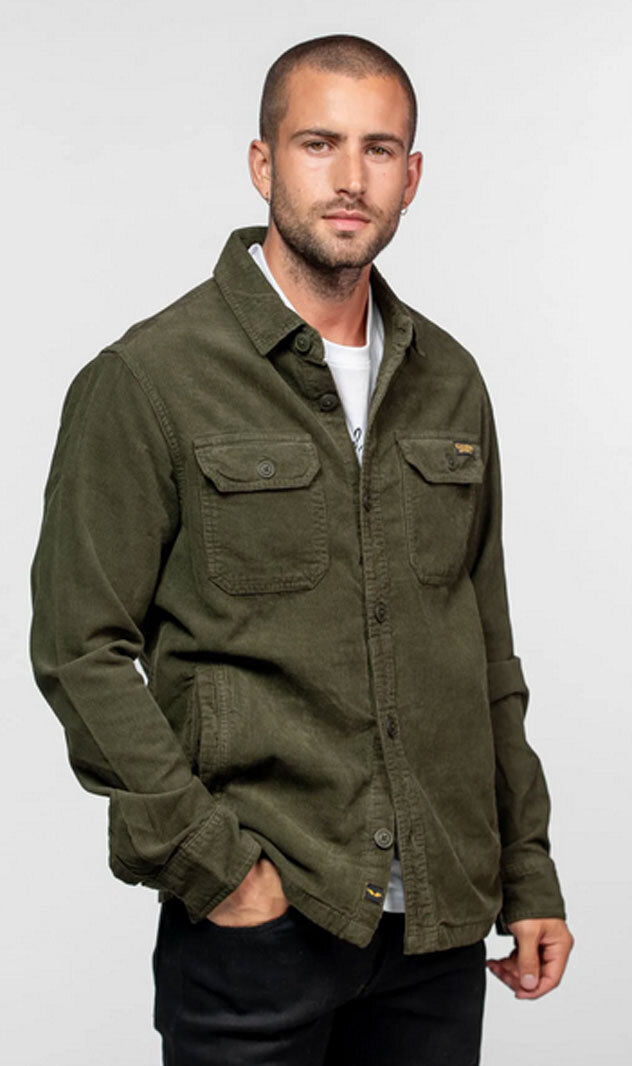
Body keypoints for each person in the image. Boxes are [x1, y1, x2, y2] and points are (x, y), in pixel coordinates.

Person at [29, 32, 574, 1066]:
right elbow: (78, 646)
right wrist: (218, 869)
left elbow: (484, 648)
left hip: (440, 928)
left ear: (412, 175)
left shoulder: (450, 380)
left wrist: (527, 871)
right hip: (263, 926)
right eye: (318, 143)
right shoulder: (150, 378)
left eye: (379, 149)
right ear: (262, 161)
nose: (349, 177)